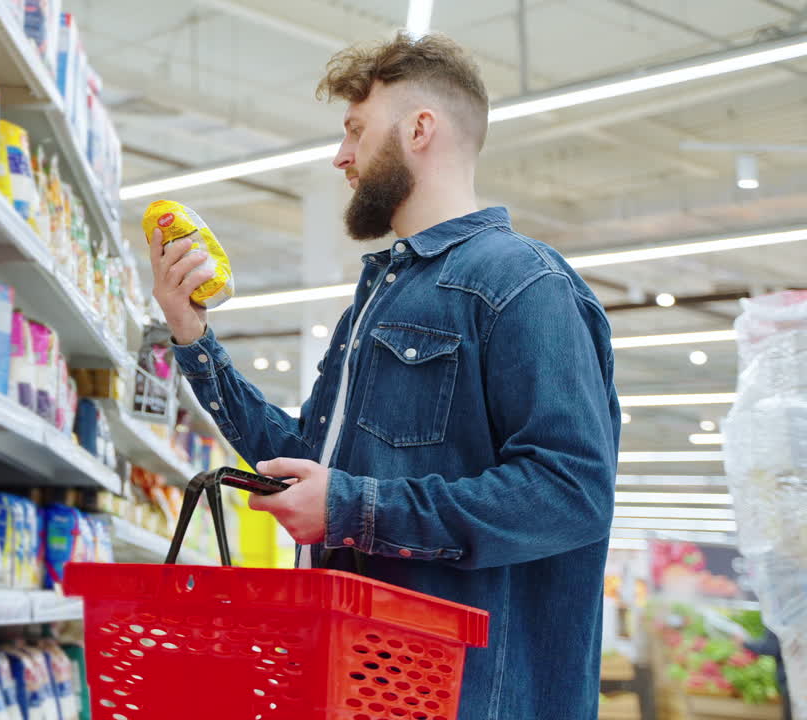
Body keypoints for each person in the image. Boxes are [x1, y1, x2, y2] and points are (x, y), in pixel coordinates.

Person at [150, 31, 620, 720]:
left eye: (356, 131)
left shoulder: (524, 284)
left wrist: (351, 507)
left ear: (420, 129)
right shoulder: (376, 303)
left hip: (477, 696)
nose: (342, 156)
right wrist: (192, 336)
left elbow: (571, 491)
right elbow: (308, 460)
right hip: (367, 687)